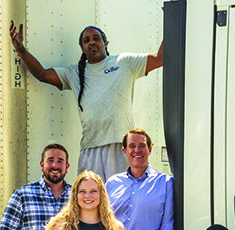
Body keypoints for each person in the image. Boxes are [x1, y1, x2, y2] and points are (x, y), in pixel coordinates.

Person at [9, 22, 163, 179]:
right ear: (82, 47)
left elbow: (160, 59)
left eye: (96, 38)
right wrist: (20, 49)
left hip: (121, 146)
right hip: (91, 148)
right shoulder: (74, 73)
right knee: (89, 200)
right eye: (86, 40)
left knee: (121, 201)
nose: (92, 42)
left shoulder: (125, 62)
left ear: (105, 42)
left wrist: (171, 19)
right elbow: (42, 74)